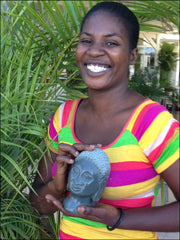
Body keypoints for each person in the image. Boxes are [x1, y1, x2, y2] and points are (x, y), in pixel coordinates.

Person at [29, 2, 180, 239]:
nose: (95, 51)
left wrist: (118, 218)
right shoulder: (63, 117)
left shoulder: (153, 123)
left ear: (132, 56)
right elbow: (38, 205)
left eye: (111, 43)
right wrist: (57, 188)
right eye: (86, 40)